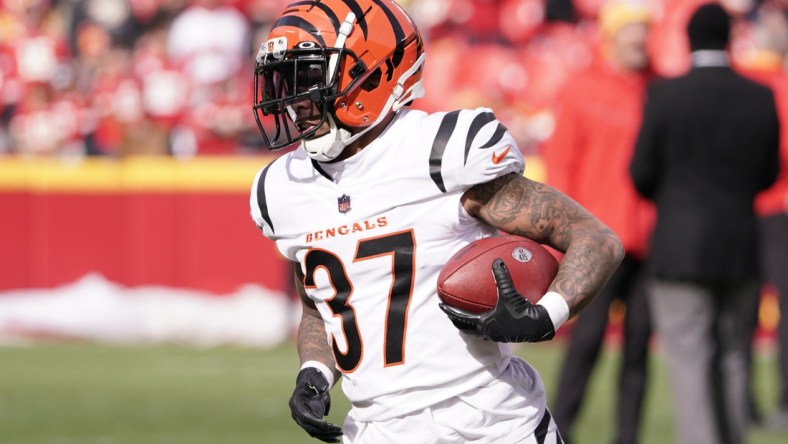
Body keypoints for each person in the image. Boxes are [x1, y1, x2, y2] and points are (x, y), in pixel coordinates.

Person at [248, 1, 624, 443]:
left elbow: (594, 239)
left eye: (306, 79)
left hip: (491, 423)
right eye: (283, 80)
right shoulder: (282, 188)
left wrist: (547, 314)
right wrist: (314, 372)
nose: (292, 101)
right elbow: (321, 301)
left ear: (372, 72)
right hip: (375, 430)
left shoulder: (440, 151)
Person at [628, 3, 781, 444]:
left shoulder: (665, 94)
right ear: (731, 39)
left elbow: (641, 172)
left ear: (689, 39)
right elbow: (768, 174)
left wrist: (676, 202)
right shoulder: (758, 95)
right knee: (734, 356)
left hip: (679, 244)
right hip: (739, 243)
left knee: (689, 358)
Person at [541, 2, 655, 443]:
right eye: (632, 33)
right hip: (595, 243)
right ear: (613, 35)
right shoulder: (580, 89)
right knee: (585, 344)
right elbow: (562, 167)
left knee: (638, 351)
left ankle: (628, 436)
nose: (639, 42)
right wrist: (562, 237)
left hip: (648, 241)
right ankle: (559, 430)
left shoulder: (657, 88)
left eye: (644, 34)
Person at [736, 1, 788, 430]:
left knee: (742, 311)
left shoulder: (744, 80)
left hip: (749, 208)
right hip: (772, 210)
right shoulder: (771, 83)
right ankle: (758, 402)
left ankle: (745, 402)